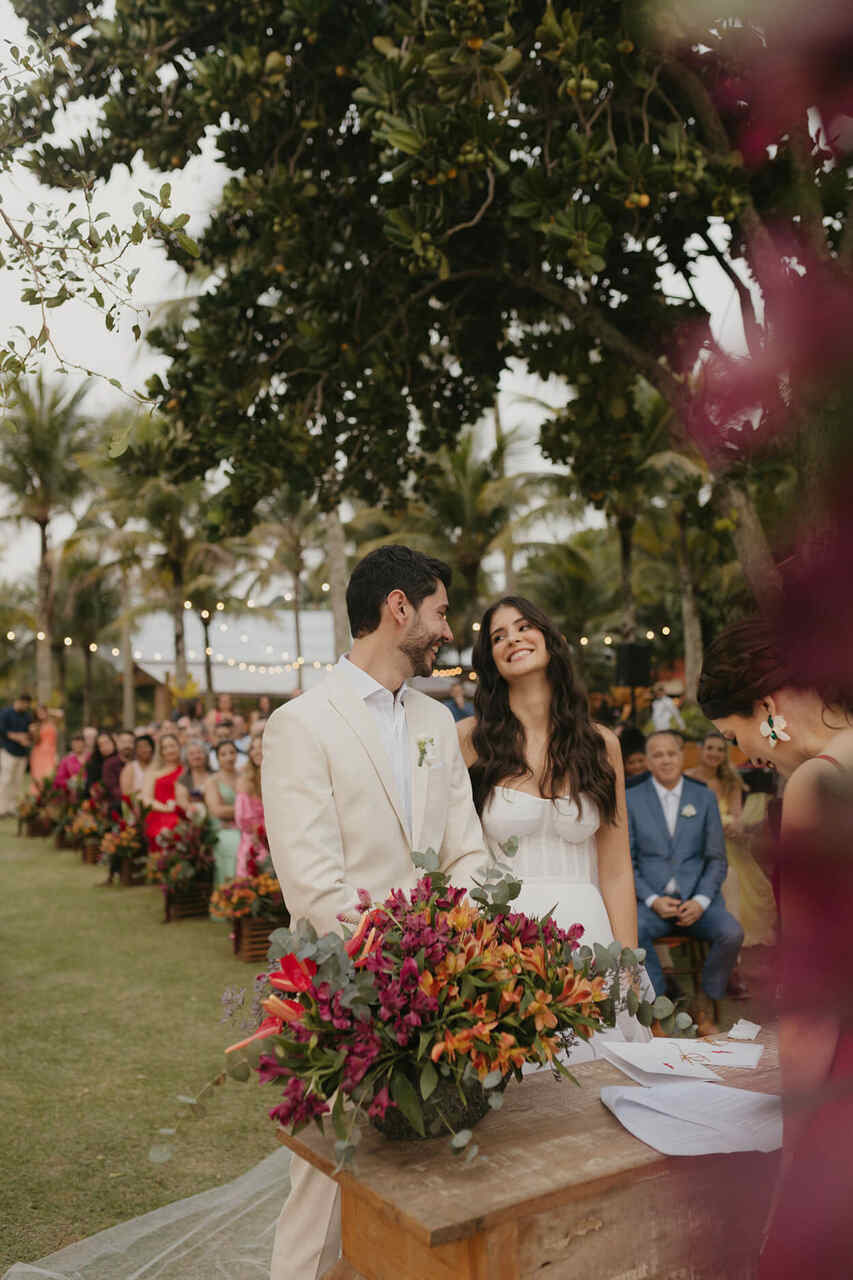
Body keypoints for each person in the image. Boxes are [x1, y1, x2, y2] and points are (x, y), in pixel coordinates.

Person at [262, 544, 485, 1280]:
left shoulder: (435, 718)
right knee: (326, 1181)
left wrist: (458, 960)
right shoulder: (301, 723)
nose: (447, 630)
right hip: (342, 985)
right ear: (398, 607)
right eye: (440, 611)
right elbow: (313, 884)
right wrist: (395, 966)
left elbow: (465, 849)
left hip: (443, 989)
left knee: (427, 1178)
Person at [698, 615, 853, 1278]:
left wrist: (788, 1141)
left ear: (765, 711)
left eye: (735, 737)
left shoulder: (817, 785)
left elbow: (818, 997)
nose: (744, 758)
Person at [458, 596, 648, 1059]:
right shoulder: (469, 739)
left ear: (550, 640)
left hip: (589, 929)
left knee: (600, 1073)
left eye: (523, 627)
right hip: (503, 937)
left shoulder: (601, 744)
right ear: (490, 659)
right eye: (498, 636)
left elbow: (617, 867)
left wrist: (627, 960)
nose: (513, 639)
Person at [626, 731, 743, 1035]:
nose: (665, 759)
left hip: (698, 903)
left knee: (731, 933)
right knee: (631, 931)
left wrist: (701, 901)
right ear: (648, 761)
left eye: (671, 753)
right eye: (657, 754)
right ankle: (661, 1006)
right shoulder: (631, 798)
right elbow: (627, 862)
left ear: (682, 756)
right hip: (653, 904)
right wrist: (652, 900)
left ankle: (704, 1000)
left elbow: (716, 858)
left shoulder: (703, 796)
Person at [687, 730, 777, 966]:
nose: (715, 753)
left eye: (720, 749)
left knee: (748, 878)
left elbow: (736, 815)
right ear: (701, 751)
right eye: (710, 748)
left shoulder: (730, 780)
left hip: (728, 841)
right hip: (698, 842)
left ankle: (741, 933)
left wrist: (735, 826)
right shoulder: (688, 778)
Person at [142, 733, 188, 853]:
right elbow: (146, 799)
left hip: (184, 814)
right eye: (165, 748)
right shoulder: (153, 773)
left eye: (172, 746)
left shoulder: (186, 771)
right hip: (160, 813)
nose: (169, 750)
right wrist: (167, 808)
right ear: (161, 752)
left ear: (179, 747)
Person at [204, 740, 241, 885]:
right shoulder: (212, 781)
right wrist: (245, 811)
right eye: (223, 754)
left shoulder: (245, 777)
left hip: (245, 825)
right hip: (222, 828)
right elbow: (217, 810)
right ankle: (229, 893)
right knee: (235, 844)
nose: (229, 757)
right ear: (217, 758)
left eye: (232, 752)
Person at [235, 734, 267, 877]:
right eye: (253, 748)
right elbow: (243, 820)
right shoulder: (245, 782)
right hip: (256, 837)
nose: (256, 751)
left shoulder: (282, 778)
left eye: (261, 747)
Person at [0, 691, 33, 817]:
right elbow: (2, 731)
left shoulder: (27, 716)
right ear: (19, 701)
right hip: (8, 751)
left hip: (22, 753)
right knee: (5, 780)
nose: (26, 706)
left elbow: (29, 733)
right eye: (25, 704)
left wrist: (28, 738)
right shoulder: (5, 713)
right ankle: (1, 809)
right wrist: (18, 737)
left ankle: (12, 808)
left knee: (17, 782)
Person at [29, 704, 59, 786]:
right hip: (39, 754)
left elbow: (61, 714)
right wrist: (34, 732)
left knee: (51, 776)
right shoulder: (34, 726)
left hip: (51, 752)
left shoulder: (53, 722)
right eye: (38, 712)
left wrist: (48, 711)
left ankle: (49, 797)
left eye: (43, 711)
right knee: (39, 777)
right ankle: (38, 797)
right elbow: (35, 742)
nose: (41, 714)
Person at [84, 731, 118, 797]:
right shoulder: (93, 764)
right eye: (101, 745)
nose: (105, 747)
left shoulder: (121, 759)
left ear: (113, 743)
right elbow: (90, 787)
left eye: (107, 743)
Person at [179, 738, 212, 805]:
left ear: (206, 755)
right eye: (191, 754)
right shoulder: (183, 780)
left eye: (199, 752)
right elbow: (183, 802)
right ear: (186, 758)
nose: (196, 756)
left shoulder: (215, 775)